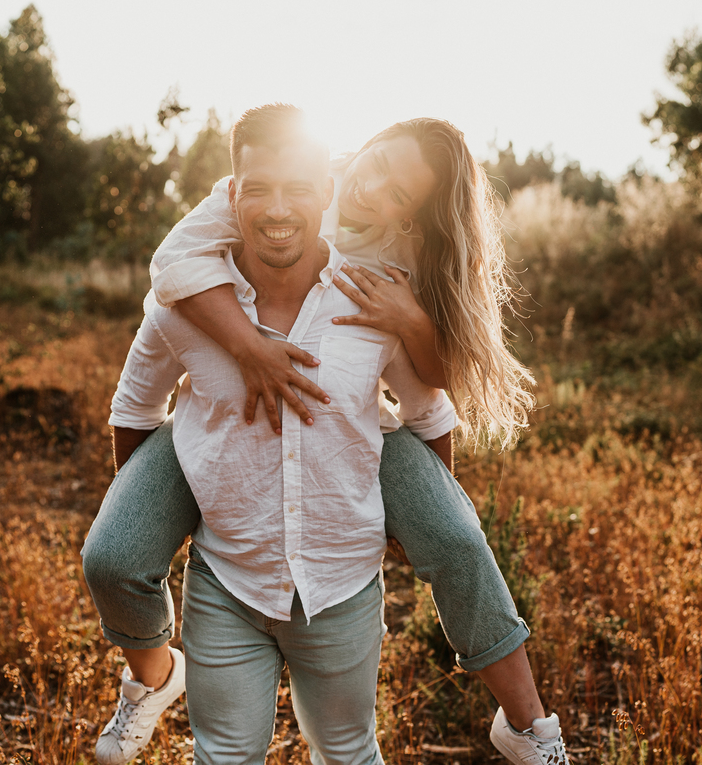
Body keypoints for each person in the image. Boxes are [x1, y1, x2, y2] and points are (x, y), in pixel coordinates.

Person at [84, 113, 571, 764]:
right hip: (219, 399)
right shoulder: (276, 187)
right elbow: (169, 266)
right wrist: (248, 347)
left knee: (455, 537)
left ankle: (529, 725)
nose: (374, 190)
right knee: (112, 554)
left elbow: (438, 386)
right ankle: (151, 678)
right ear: (357, 148)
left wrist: (411, 321)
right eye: (377, 164)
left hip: (360, 426)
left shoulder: (405, 257)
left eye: (400, 192)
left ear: (414, 215)